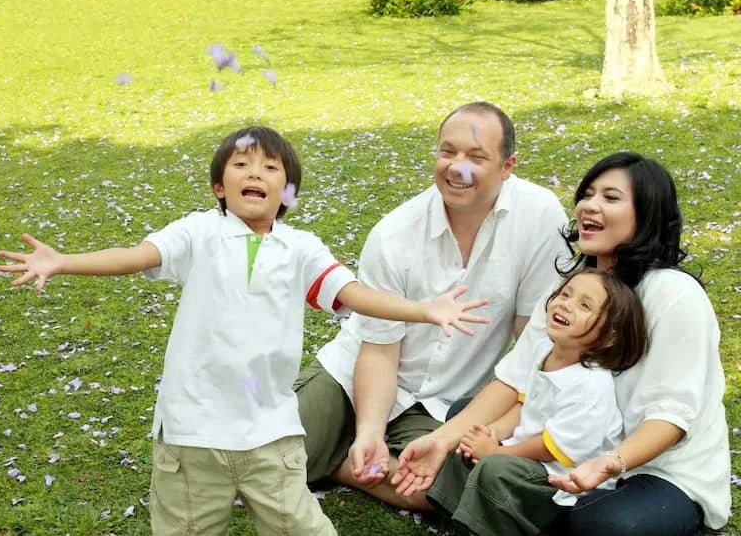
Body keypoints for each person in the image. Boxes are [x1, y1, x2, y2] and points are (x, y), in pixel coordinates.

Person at [0, 126, 489, 536]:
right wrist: (63, 263)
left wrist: (424, 310)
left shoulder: (301, 249)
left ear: (287, 192)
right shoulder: (197, 233)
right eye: (241, 165)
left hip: (270, 431)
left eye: (271, 168)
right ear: (218, 187)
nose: (256, 173)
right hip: (192, 432)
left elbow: (354, 294)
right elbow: (137, 256)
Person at [394, 151, 731, 535]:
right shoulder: (571, 287)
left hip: (655, 469)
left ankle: (518, 506)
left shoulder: (674, 295)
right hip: (571, 446)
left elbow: (672, 417)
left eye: (611, 197)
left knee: (606, 525)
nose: (590, 205)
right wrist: (440, 441)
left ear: (647, 214)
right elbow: (516, 382)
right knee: (466, 419)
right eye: (587, 194)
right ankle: (511, 502)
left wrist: (611, 462)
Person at [295, 101, 570, 509]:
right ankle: (356, 449)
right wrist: (370, 428)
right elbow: (379, 349)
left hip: (446, 400)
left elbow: (531, 339)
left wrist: (508, 421)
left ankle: (337, 462)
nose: (458, 168)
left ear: (507, 166)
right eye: (448, 152)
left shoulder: (541, 217)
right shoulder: (394, 235)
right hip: (353, 377)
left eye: (476, 157)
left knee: (448, 486)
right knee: (259, 452)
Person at [427, 268, 648, 535]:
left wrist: (496, 452)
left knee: (494, 469)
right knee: (466, 446)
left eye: (584, 305)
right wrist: (491, 433)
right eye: (566, 294)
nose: (566, 304)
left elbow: (553, 448)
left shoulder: (590, 386)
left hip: (560, 478)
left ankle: (493, 526)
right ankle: (457, 517)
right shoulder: (544, 350)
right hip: (529, 457)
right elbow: (525, 406)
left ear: (608, 337)